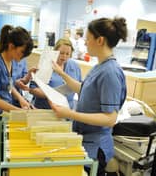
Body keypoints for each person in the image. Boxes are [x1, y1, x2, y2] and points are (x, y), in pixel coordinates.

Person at [50, 17, 127, 176]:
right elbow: (83, 89)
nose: (85, 43)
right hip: (84, 139)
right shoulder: (99, 66)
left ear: (100, 40)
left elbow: (110, 118)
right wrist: (61, 73)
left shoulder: (110, 72)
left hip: (95, 146)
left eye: (87, 38)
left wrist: (70, 114)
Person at [0, 24, 34, 176]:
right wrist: (18, 112)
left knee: (3, 155)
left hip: (4, 115)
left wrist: (20, 99)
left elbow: (9, 86)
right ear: (11, 46)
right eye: (21, 52)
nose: (22, 57)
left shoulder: (10, 62)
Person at [29, 38, 81, 109]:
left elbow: (80, 88)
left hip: (68, 111)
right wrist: (51, 94)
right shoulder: (46, 65)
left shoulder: (74, 66)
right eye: (61, 53)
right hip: (47, 110)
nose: (64, 56)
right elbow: (32, 89)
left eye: (67, 54)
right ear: (55, 51)